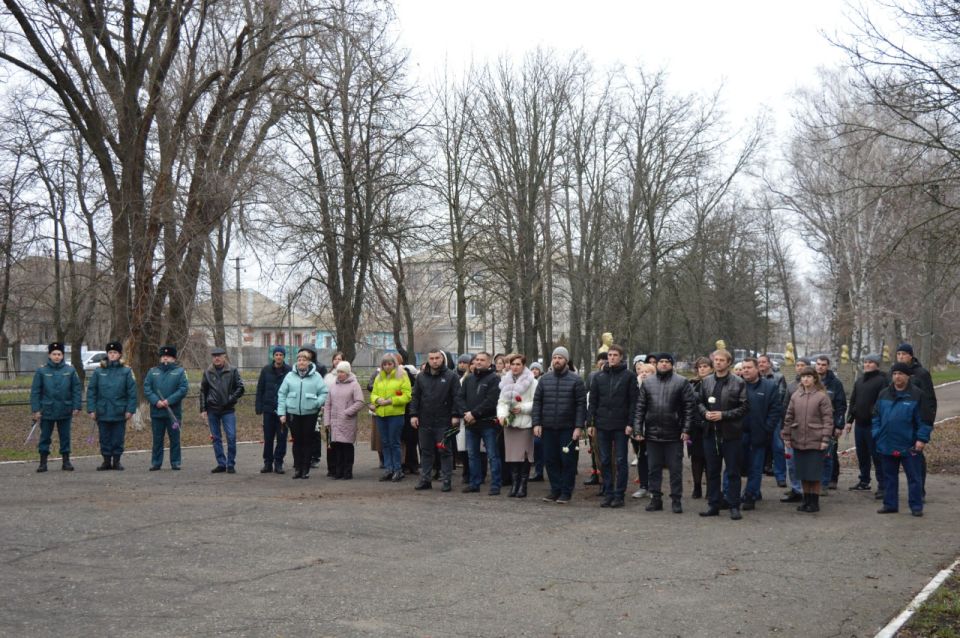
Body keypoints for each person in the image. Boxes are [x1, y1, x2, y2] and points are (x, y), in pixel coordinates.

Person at [631, 352, 694, 514]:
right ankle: (656, 499)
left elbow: (689, 408)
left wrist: (686, 429)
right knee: (653, 469)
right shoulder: (648, 383)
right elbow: (640, 408)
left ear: (672, 364)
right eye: (661, 361)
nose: (664, 364)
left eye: (667, 361)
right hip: (652, 434)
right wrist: (638, 430)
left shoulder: (681, 382)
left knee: (675, 469)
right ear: (656, 364)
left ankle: (676, 500)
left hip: (674, 434)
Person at [873, 362, 932, 517]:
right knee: (889, 477)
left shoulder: (917, 394)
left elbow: (925, 420)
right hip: (886, 442)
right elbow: (876, 417)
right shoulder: (884, 393)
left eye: (900, 374)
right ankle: (890, 504)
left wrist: (921, 439)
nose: (897, 377)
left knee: (914, 477)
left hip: (910, 444)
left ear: (908, 376)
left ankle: (916, 506)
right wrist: (877, 434)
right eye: (894, 374)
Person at [697, 348, 749, 520]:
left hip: (731, 433)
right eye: (716, 360)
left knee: (733, 471)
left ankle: (734, 505)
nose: (717, 362)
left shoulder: (738, 382)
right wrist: (705, 413)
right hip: (710, 432)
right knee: (712, 470)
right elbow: (699, 402)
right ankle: (714, 504)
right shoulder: (706, 382)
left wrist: (723, 415)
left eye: (721, 360)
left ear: (729, 363)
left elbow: (744, 407)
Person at [532, 347, 587, 504]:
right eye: (555, 357)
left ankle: (566, 491)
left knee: (567, 461)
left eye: (560, 358)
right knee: (550, 460)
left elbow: (581, 405)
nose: (557, 360)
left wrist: (578, 427)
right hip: (548, 427)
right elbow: (537, 403)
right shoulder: (544, 380)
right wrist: (536, 423)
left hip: (568, 428)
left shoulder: (576, 380)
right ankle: (555, 489)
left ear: (566, 360)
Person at [586, 345, 637, 508]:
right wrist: (590, 423)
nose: (612, 357)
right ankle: (608, 492)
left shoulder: (629, 376)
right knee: (605, 460)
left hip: (621, 425)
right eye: (610, 355)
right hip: (602, 424)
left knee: (621, 460)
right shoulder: (599, 377)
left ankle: (619, 494)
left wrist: (631, 423)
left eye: (615, 355)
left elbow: (633, 402)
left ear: (621, 357)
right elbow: (592, 402)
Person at [410, 349, 463, 492]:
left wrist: (455, 415)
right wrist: (413, 414)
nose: (434, 361)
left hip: (444, 421)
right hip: (425, 421)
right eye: (431, 358)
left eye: (437, 358)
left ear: (442, 359)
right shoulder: (421, 377)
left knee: (444, 451)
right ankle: (425, 479)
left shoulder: (452, 376)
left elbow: (457, 397)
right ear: (428, 359)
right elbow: (415, 397)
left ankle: (446, 480)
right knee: (426, 451)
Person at [782, 366, 834, 513]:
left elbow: (828, 420)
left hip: (816, 440)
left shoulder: (822, 396)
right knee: (803, 473)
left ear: (815, 378)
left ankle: (814, 502)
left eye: (809, 376)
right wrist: (786, 436)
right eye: (803, 376)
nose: (806, 379)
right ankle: (806, 500)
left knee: (814, 474)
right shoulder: (795, 396)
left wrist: (825, 439)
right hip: (798, 440)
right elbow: (788, 417)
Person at [738, 358, 783, 510]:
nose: (745, 370)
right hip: (737, 434)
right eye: (743, 367)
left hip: (759, 434)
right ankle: (729, 494)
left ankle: (750, 495)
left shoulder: (769, 386)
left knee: (755, 468)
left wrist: (767, 429)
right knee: (734, 466)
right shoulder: (736, 385)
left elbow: (776, 410)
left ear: (757, 369)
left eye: (749, 367)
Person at [30, 342, 82, 472]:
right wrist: (35, 410)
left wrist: (77, 406)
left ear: (63, 355)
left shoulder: (70, 370)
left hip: (65, 409)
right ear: (49, 355)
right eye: (54, 354)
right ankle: (43, 463)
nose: (57, 356)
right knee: (45, 437)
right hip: (47, 410)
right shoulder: (42, 371)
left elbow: (76, 390)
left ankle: (66, 461)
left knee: (65, 437)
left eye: (59, 354)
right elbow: (35, 391)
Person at [87, 341, 137, 471]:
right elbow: (92, 391)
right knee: (104, 437)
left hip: (119, 411)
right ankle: (106, 461)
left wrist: (130, 410)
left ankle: (117, 461)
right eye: (110, 352)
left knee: (118, 437)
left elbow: (132, 393)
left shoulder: (126, 371)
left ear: (120, 354)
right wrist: (91, 409)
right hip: (102, 411)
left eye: (115, 352)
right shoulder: (99, 371)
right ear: (107, 354)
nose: (112, 355)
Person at [277, 349, 328, 479]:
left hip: (310, 413)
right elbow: (282, 394)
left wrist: (317, 403)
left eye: (304, 360)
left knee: (307, 441)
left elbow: (324, 393)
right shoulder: (290, 376)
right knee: (297, 441)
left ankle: (306, 469)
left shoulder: (316, 376)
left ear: (309, 362)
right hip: (293, 413)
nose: (301, 362)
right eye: (299, 359)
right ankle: (298, 468)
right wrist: (281, 413)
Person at [895, 343, 937, 497]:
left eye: (904, 354)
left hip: (915, 423)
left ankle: (919, 491)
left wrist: (927, 424)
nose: (901, 357)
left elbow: (930, 401)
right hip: (897, 423)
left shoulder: (921, 374)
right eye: (898, 354)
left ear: (911, 356)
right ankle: (890, 493)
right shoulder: (894, 373)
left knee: (915, 459)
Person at [844, 354, 888, 492]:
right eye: (865, 362)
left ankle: (883, 485)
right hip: (860, 425)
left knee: (877, 456)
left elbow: (882, 402)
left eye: (871, 362)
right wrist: (849, 420)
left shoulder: (882, 380)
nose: (867, 364)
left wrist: (873, 414)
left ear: (877, 365)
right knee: (862, 455)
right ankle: (864, 480)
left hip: (874, 425)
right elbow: (853, 401)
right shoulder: (860, 381)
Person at [461, 352, 502, 495]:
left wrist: (474, 414)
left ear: (489, 363)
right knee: (472, 455)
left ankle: (496, 485)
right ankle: (474, 483)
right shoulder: (468, 379)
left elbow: (491, 402)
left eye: (482, 360)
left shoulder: (494, 379)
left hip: (488, 424)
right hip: (471, 424)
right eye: (476, 360)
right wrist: (466, 413)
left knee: (492, 455)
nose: (478, 362)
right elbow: (461, 398)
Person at [497, 353, 538, 498]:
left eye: (518, 364)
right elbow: (502, 401)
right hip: (510, 423)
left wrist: (522, 408)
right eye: (512, 364)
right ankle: (514, 484)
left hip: (524, 423)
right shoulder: (506, 381)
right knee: (512, 455)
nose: (515, 367)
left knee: (524, 456)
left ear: (524, 365)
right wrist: (502, 415)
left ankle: (523, 485)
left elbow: (536, 402)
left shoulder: (532, 382)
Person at [200, 347, 245, 474]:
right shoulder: (208, 372)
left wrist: (230, 399)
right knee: (216, 438)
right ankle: (221, 463)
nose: (217, 358)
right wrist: (203, 409)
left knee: (231, 437)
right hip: (212, 410)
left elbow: (240, 388)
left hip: (228, 410)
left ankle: (230, 464)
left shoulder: (232, 370)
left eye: (219, 355)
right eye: (214, 356)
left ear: (224, 356)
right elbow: (203, 391)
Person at [144, 345, 189, 471]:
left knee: (174, 438)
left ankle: (175, 462)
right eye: (163, 356)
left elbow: (183, 389)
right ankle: (156, 462)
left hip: (173, 413)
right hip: (157, 412)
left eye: (168, 357)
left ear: (173, 358)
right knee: (157, 439)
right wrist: (156, 401)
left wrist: (169, 400)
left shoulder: (180, 372)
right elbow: (147, 389)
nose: (165, 359)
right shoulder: (152, 372)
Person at [370, 353, 411, 482]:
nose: (387, 366)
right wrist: (377, 399)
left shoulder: (402, 376)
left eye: (390, 364)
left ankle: (398, 469)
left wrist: (390, 401)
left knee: (394, 442)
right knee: (385, 442)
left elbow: (407, 396)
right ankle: (389, 468)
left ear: (394, 364)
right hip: (381, 414)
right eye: (385, 364)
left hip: (396, 414)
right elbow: (373, 394)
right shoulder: (379, 377)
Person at [324, 360, 364, 480]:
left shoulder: (354, 385)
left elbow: (360, 402)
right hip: (334, 422)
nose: (339, 374)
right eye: (338, 372)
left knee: (346, 447)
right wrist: (327, 421)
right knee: (336, 448)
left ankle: (347, 472)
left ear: (347, 372)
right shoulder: (333, 385)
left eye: (342, 372)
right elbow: (327, 405)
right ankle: (338, 471)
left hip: (347, 421)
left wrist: (347, 412)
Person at [255, 346, 292, 474]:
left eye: (281, 354)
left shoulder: (289, 371)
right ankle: (267, 463)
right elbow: (260, 389)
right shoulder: (266, 370)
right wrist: (259, 406)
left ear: (284, 356)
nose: (278, 357)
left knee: (282, 438)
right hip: (268, 409)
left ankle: (279, 463)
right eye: (276, 354)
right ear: (273, 356)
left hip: (283, 411)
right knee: (268, 437)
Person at [780, 358, 810, 503]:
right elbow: (785, 408)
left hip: (809, 431)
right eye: (797, 365)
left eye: (802, 365)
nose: (799, 368)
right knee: (791, 462)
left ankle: (808, 492)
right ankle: (796, 489)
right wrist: (784, 428)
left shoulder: (816, 387)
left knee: (806, 462)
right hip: (792, 429)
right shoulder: (791, 386)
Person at [814, 356, 846, 491]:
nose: (820, 367)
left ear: (827, 366)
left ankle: (831, 479)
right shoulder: (811, 381)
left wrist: (839, 425)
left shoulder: (835, 384)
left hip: (830, 424)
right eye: (818, 364)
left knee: (830, 454)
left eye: (823, 364)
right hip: (814, 424)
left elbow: (841, 405)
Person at [758, 354, 787, 479]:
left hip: (774, 416)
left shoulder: (778, 377)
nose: (761, 364)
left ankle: (781, 475)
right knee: (758, 445)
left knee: (778, 447)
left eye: (764, 362)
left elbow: (780, 397)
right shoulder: (755, 378)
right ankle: (758, 471)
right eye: (759, 362)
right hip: (759, 416)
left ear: (769, 363)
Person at [583, 351, 608, 488]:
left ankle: (607, 478)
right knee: (593, 449)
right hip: (593, 418)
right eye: (600, 359)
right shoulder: (592, 376)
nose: (603, 362)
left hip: (606, 419)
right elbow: (587, 397)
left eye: (605, 359)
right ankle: (595, 473)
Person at [631, 362, 656, 498]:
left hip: (654, 429)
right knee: (641, 458)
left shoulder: (658, 388)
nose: (644, 373)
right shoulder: (635, 389)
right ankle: (643, 486)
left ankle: (653, 487)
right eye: (641, 371)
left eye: (648, 371)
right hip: (639, 429)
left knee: (653, 459)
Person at [688, 357, 712, 499]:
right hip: (694, 426)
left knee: (710, 458)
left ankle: (711, 487)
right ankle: (697, 487)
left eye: (705, 366)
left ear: (711, 368)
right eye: (700, 366)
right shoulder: (691, 383)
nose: (702, 369)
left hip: (710, 423)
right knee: (696, 458)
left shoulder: (715, 382)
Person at [321, 352, 345, 477]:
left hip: (343, 414)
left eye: (339, 359)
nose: (337, 361)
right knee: (330, 441)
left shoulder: (348, 377)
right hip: (329, 412)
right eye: (335, 359)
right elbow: (324, 393)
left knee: (341, 441)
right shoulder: (328, 377)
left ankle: (341, 467)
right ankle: (331, 468)